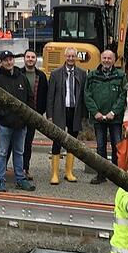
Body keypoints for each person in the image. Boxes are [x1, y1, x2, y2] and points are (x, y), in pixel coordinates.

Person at [0, 50, 35, 192]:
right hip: (4, 124)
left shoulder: (21, 78)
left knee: (19, 152)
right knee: (2, 152)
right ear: (1, 62)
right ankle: (1, 179)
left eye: (11, 59)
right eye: (6, 60)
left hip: (21, 124)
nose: (9, 62)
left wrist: (26, 117)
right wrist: (1, 115)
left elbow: (30, 98)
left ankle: (20, 178)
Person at [84, 50, 126, 184]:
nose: (107, 60)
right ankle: (101, 174)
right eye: (104, 58)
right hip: (98, 118)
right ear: (101, 59)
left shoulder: (121, 76)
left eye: (109, 58)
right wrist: (95, 112)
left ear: (114, 60)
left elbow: (123, 95)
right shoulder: (92, 76)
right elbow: (87, 95)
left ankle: (116, 175)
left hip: (115, 118)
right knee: (100, 146)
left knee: (116, 145)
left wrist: (113, 112)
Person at [46, 47, 86, 185]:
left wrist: (83, 115)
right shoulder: (56, 73)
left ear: (76, 57)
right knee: (57, 141)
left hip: (74, 111)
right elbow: (50, 96)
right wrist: (49, 115)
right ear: (65, 56)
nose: (70, 58)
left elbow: (83, 96)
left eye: (73, 56)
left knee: (72, 142)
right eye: (68, 56)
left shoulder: (82, 73)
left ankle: (69, 172)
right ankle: (55, 174)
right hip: (59, 111)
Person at [21, 49, 48, 181]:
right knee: (13, 144)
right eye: (28, 57)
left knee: (27, 144)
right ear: (24, 58)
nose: (30, 59)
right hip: (18, 116)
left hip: (34, 116)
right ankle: (12, 169)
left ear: (36, 59)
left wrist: (41, 112)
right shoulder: (17, 73)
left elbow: (45, 96)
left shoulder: (41, 76)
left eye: (33, 57)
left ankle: (25, 169)